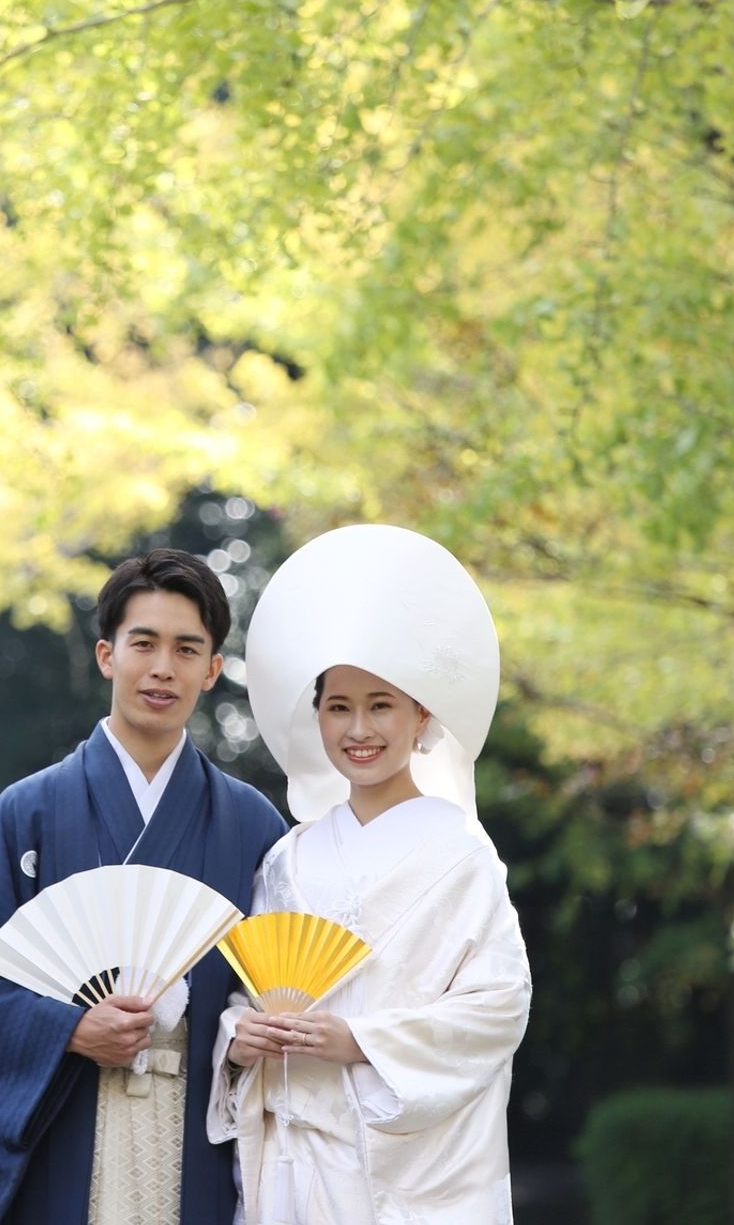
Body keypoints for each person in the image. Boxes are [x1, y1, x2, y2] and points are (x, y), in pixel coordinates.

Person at [0, 548, 288, 1225]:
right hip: (64, 1126)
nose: (163, 668)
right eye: (143, 643)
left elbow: (275, 988)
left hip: (195, 1134)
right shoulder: (26, 814)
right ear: (107, 655)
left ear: (213, 670)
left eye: (187, 649)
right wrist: (67, 1028)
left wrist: (242, 1035)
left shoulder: (252, 827)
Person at [207, 524, 532, 1225]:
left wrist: (358, 1041)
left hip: (400, 1167)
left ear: (420, 716)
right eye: (339, 708)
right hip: (294, 1166)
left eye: (381, 705)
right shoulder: (290, 857)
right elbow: (248, 990)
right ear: (317, 718)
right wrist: (240, 1037)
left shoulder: (461, 853)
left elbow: (499, 1006)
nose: (359, 729)